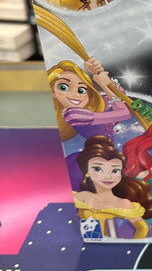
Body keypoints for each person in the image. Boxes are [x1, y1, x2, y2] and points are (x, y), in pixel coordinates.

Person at [48, 57, 132, 189]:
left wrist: (100, 74)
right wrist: (104, 84)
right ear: (53, 92)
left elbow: (120, 96)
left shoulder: (92, 108)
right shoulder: (73, 115)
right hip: (94, 163)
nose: (76, 95)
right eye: (63, 87)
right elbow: (124, 112)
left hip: (108, 157)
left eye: (81, 90)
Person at [74, 135, 152, 239]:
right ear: (86, 171)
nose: (108, 176)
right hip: (85, 245)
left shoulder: (123, 203)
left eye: (115, 171)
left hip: (113, 246)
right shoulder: (82, 197)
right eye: (98, 169)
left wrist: (129, 246)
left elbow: (143, 228)